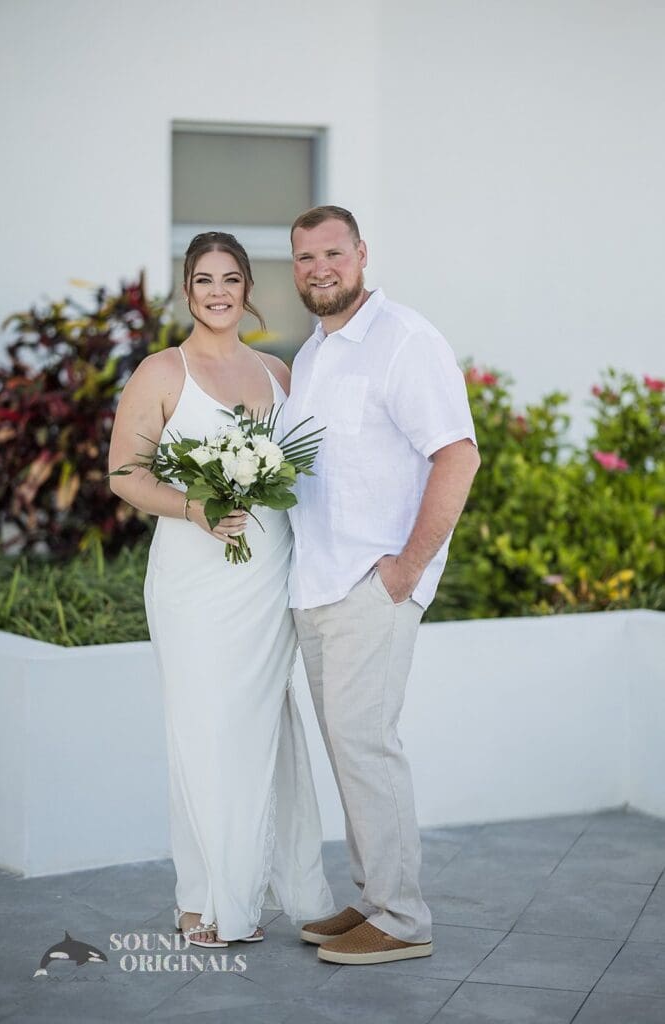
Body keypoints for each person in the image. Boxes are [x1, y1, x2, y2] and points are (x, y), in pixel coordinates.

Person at [108, 231, 334, 947]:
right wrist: (195, 507)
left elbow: (311, 465)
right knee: (202, 729)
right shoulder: (159, 372)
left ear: (246, 289)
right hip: (192, 581)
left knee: (262, 730)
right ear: (187, 290)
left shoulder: (277, 370)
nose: (217, 290)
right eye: (203, 278)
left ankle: (269, 884)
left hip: (266, 575)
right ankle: (202, 898)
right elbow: (124, 476)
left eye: (230, 277)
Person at [284, 206, 481, 966]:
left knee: (368, 744)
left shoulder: (405, 340)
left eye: (332, 253)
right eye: (304, 258)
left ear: (362, 255)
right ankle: (373, 898)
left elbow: (456, 456)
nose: (318, 269)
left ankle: (402, 917)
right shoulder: (313, 353)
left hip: (373, 583)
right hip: (317, 582)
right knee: (347, 747)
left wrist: (403, 571)